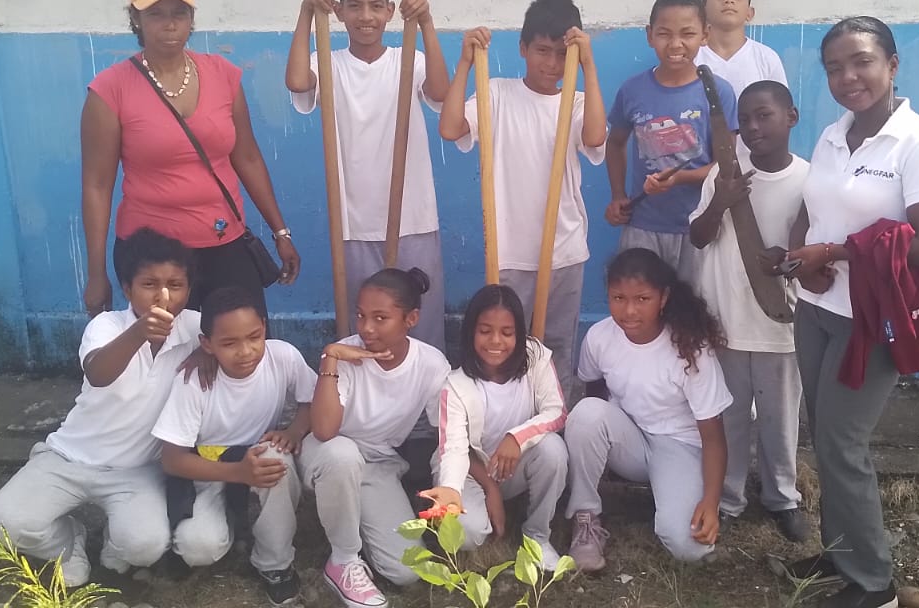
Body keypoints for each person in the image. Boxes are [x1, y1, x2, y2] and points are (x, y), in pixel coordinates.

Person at [780, 17, 919, 608]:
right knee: (825, 437)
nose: (848, 77)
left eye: (861, 62)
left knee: (842, 442)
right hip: (816, 309)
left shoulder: (917, 143)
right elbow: (812, 208)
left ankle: (874, 585)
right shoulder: (834, 136)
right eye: (834, 68)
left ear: (892, 65)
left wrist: (833, 253)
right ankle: (842, 550)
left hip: (872, 318)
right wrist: (803, 260)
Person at [81, 0, 299, 318]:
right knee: (168, 346)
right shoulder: (109, 91)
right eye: (156, 14)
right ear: (136, 19)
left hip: (224, 241)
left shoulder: (223, 75)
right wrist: (95, 274)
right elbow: (97, 185)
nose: (169, 25)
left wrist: (281, 231)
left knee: (239, 342)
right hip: (153, 258)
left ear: (191, 19)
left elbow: (247, 158)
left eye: (179, 14)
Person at [0, 228, 197, 586]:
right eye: (149, 284)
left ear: (188, 290)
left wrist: (209, 354)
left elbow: (237, 343)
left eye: (175, 285)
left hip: (136, 471)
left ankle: (116, 539)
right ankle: (68, 542)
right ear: (127, 289)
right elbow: (98, 373)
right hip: (70, 456)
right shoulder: (107, 325)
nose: (163, 295)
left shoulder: (194, 328)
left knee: (145, 546)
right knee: (0, 523)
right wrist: (138, 333)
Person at [438, 0, 606, 400]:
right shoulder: (495, 93)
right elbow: (451, 128)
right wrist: (465, 63)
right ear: (523, 48)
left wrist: (588, 65)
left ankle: (554, 419)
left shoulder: (577, 101)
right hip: (509, 250)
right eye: (542, 51)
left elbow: (594, 136)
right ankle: (506, 413)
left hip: (564, 247)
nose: (552, 64)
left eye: (562, 55)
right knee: (505, 344)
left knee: (557, 346)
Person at [286, 0, 450, 349]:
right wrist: (307, 11)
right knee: (362, 319)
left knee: (420, 317)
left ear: (391, 11)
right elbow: (297, 81)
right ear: (338, 11)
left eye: (376, 6)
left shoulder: (407, 59)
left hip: (412, 214)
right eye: (355, 6)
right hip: (354, 218)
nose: (366, 16)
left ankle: (426, 381)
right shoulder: (328, 64)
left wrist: (426, 22)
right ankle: (360, 380)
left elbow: (441, 91)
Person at [687, 80, 810, 541]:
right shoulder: (722, 175)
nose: (753, 127)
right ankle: (729, 496)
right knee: (730, 417)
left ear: (791, 118)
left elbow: (813, 251)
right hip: (724, 321)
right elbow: (698, 237)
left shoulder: (808, 181)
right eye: (745, 119)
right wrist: (722, 200)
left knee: (780, 419)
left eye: (765, 116)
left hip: (780, 324)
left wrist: (787, 260)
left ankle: (783, 497)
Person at [564, 248, 732, 570]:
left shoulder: (690, 348)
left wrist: (710, 502)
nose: (629, 310)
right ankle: (586, 518)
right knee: (585, 413)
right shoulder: (599, 337)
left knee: (688, 546)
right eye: (618, 298)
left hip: (679, 447)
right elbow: (594, 395)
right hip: (631, 440)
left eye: (642, 299)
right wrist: (601, 454)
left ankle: (677, 495)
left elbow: (714, 438)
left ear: (663, 298)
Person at [299, 268, 452, 608]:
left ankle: (360, 525)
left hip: (379, 464)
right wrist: (331, 356)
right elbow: (323, 431)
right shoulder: (343, 354)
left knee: (407, 571)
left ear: (411, 319)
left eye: (380, 318)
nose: (366, 328)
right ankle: (342, 561)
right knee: (342, 455)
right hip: (327, 455)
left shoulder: (430, 364)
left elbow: (447, 431)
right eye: (361, 315)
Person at [152, 286, 313, 605]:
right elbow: (172, 460)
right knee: (199, 549)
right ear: (207, 344)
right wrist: (238, 473)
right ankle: (234, 519)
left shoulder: (283, 356)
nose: (245, 351)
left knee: (274, 456)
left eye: (254, 337)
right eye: (229, 343)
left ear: (264, 327)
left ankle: (275, 563)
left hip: (255, 461)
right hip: (209, 469)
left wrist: (295, 430)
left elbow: (310, 398)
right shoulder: (194, 380)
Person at [418, 285, 569, 570]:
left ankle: (537, 535)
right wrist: (459, 491)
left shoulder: (535, 357)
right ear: (470, 332)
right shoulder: (455, 385)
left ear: (520, 334)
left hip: (513, 465)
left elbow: (556, 411)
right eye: (485, 331)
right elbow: (454, 449)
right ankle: (473, 514)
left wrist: (517, 437)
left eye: (507, 332)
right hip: (470, 470)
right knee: (466, 535)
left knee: (553, 450)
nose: (496, 341)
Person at [604, 0, 738, 281]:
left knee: (693, 305)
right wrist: (617, 195)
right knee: (640, 300)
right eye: (664, 34)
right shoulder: (632, 90)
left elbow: (726, 166)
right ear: (649, 35)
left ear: (705, 35)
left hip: (698, 228)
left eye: (687, 34)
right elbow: (614, 144)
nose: (676, 44)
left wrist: (680, 178)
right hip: (643, 226)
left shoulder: (718, 93)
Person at [694, 0, 788, 97]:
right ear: (703, 11)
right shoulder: (692, 56)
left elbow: (780, 106)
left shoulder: (766, 58)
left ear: (750, 13)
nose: (729, 0)